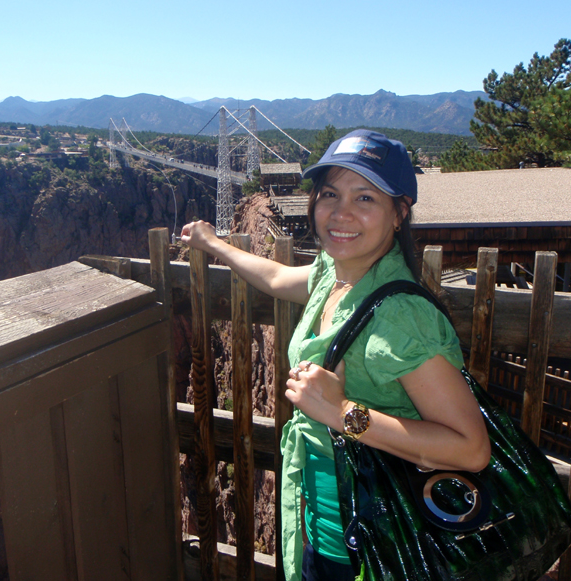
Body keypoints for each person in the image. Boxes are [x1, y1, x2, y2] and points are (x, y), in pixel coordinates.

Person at [180, 129, 490, 581]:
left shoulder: (402, 318)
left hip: (377, 547)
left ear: (399, 214)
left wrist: (344, 412)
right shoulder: (336, 274)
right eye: (330, 193)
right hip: (323, 529)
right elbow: (275, 277)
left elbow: (471, 449)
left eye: (365, 198)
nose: (341, 212)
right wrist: (214, 244)